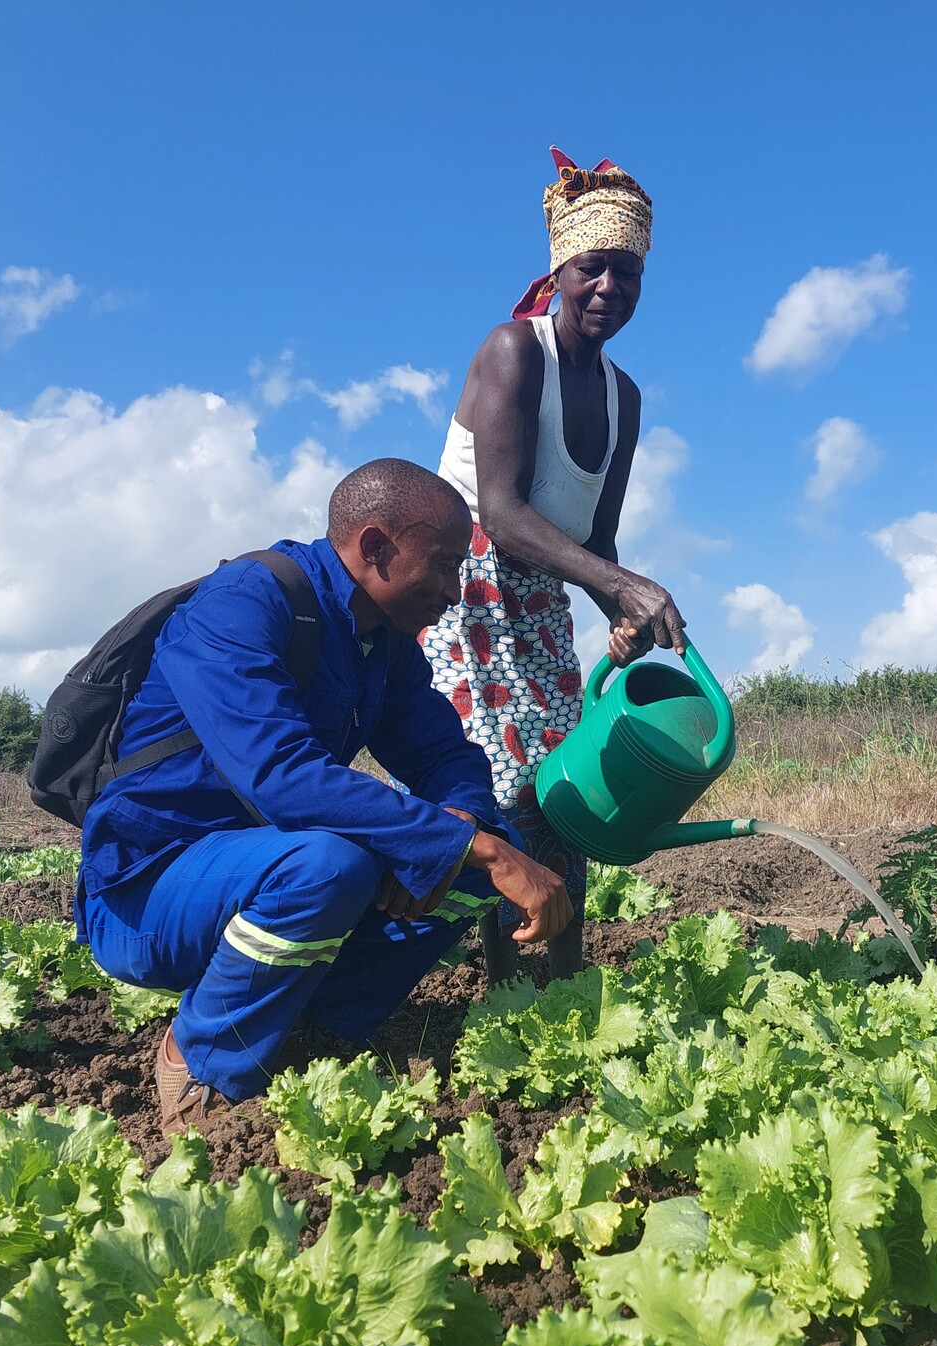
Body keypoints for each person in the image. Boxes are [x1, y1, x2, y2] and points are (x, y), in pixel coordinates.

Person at [77, 458, 571, 1135]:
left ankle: (315, 1031)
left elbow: (443, 754)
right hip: (149, 894)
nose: (455, 594)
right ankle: (203, 1061)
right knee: (332, 865)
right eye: (444, 565)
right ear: (375, 548)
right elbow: (281, 775)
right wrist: (465, 844)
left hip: (263, 869)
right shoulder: (245, 601)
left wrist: (464, 824)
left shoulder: (385, 646)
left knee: (478, 859)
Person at [424, 147, 686, 986]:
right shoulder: (512, 351)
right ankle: (508, 991)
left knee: (562, 795)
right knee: (506, 792)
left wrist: (622, 609)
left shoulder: (625, 398)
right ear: (561, 271)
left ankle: (560, 990)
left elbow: (597, 542)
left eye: (629, 273)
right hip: (462, 592)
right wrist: (618, 585)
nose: (610, 287)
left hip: (535, 607)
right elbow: (499, 514)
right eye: (593, 268)